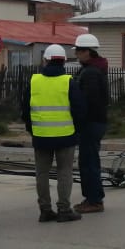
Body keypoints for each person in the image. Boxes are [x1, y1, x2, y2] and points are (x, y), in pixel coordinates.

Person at [21, 44, 86, 223]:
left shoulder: (34, 81)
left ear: (46, 60)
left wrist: (31, 129)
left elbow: (25, 109)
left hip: (41, 135)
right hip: (66, 135)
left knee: (41, 173)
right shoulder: (68, 81)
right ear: (64, 61)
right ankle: (64, 210)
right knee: (64, 172)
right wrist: (77, 131)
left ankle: (45, 210)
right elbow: (80, 109)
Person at [72, 33, 108, 214]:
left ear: (88, 52)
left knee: (89, 162)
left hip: (90, 123)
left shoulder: (91, 72)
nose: (76, 54)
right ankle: (93, 198)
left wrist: (79, 120)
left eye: (78, 51)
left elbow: (88, 101)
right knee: (88, 161)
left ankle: (94, 200)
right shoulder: (93, 69)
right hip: (94, 122)